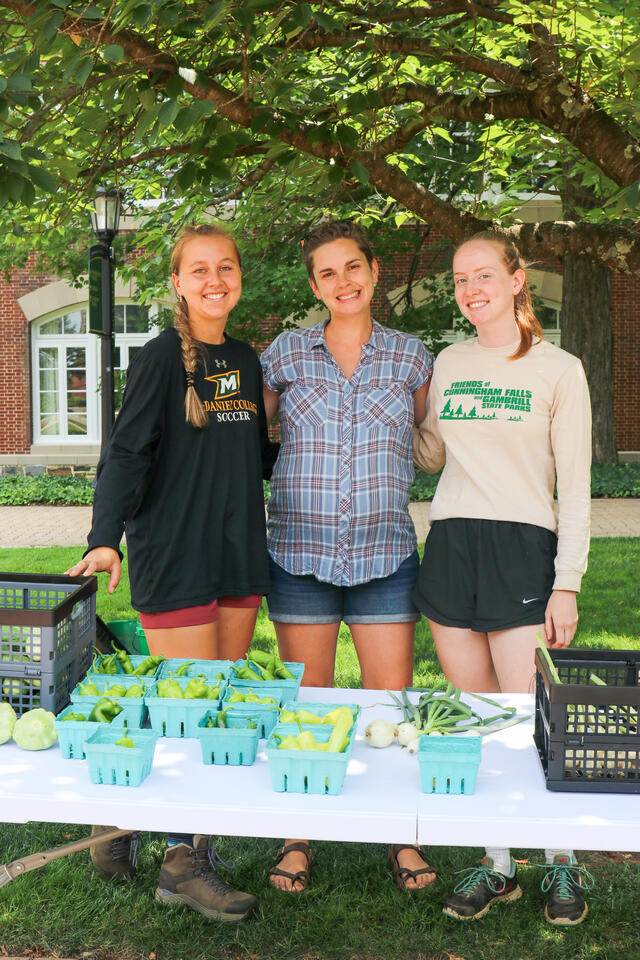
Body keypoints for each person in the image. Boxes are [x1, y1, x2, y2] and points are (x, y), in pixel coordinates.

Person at [66, 224, 278, 923]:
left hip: (237, 555)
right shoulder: (160, 358)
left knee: (216, 715)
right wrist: (105, 539)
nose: (214, 279)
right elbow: (127, 454)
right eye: (199, 269)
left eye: (226, 267)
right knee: (193, 709)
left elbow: (250, 457)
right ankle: (183, 865)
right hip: (176, 552)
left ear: (239, 276)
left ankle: (117, 824)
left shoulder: (247, 360)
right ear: (178, 282)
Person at [411, 231, 593, 925]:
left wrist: (566, 581)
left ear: (519, 280)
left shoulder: (558, 369)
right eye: (460, 279)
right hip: (452, 543)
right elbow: (431, 453)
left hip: (524, 549)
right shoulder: (450, 362)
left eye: (485, 274)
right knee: (479, 720)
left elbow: (575, 489)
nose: (470, 289)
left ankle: (563, 865)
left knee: (533, 722)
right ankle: (497, 865)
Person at [261, 218, 435, 894]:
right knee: (310, 704)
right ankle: (298, 838)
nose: (343, 281)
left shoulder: (411, 358)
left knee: (389, 705)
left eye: (353, 267)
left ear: (373, 271)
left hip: (385, 556)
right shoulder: (285, 355)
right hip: (299, 553)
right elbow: (249, 436)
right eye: (328, 272)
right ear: (314, 285)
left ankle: (403, 837)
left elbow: (431, 439)